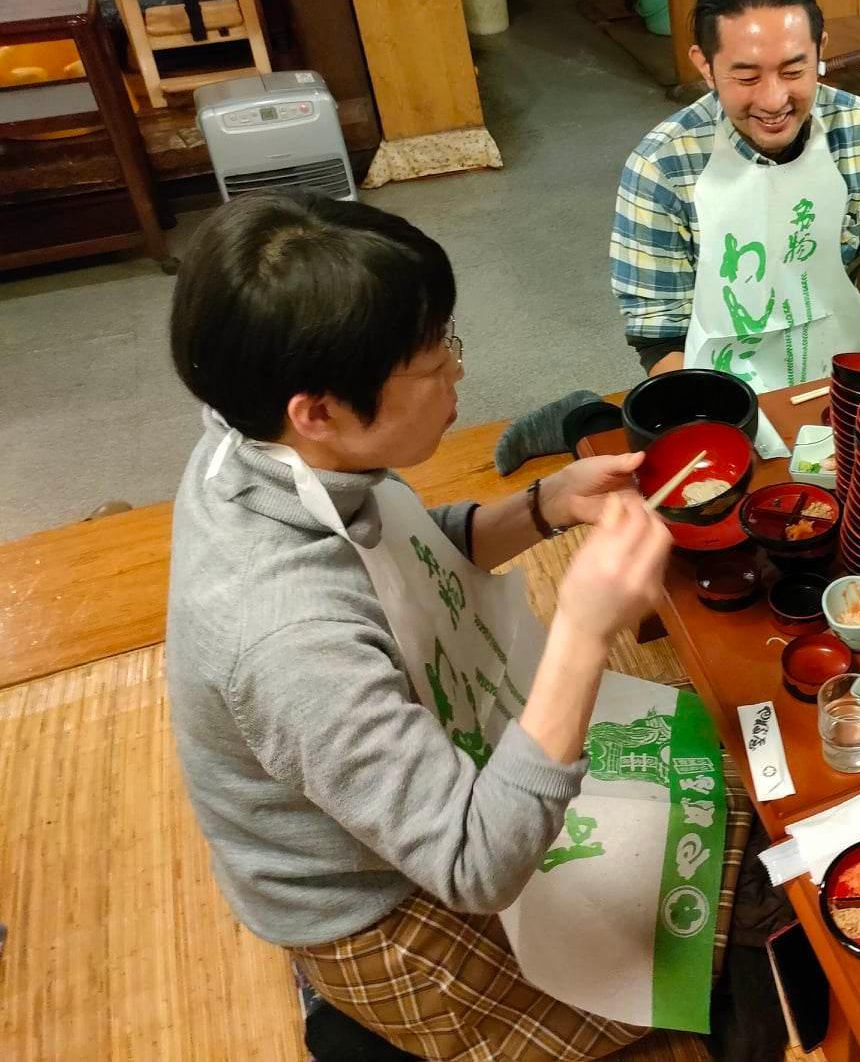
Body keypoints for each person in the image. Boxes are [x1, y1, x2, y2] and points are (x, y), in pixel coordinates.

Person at [166, 195, 685, 1060]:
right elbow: (478, 863)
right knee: (685, 961)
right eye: (433, 358)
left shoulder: (254, 435)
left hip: (398, 786)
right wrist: (584, 633)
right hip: (369, 905)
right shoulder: (286, 637)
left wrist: (544, 505)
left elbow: (404, 556)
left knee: (692, 832)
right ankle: (343, 1003)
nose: (458, 371)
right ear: (317, 411)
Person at [610, 0, 860, 388]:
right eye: (746, 77)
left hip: (839, 370)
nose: (774, 100)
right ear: (705, 66)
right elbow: (658, 336)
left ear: (820, 50)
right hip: (714, 382)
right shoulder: (661, 167)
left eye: (794, 71)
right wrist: (721, 413)